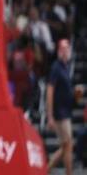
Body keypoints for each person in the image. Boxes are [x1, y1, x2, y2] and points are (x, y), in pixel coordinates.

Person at [47, 38, 75, 174]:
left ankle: (45, 169)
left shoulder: (65, 67)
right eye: (62, 48)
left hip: (66, 111)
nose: (64, 51)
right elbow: (50, 91)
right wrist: (50, 116)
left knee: (66, 146)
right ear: (58, 51)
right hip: (59, 113)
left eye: (66, 48)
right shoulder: (56, 67)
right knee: (68, 145)